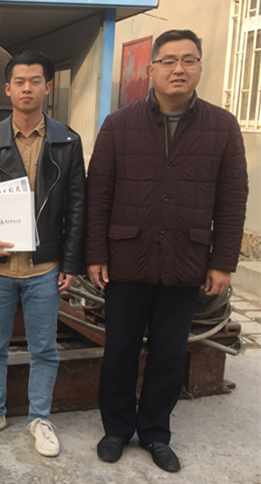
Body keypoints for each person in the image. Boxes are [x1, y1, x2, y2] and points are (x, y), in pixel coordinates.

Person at [87, 30, 248, 473]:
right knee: (119, 351)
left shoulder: (222, 127)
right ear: (151, 69)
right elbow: (98, 193)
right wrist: (95, 253)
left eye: (189, 60)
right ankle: (117, 429)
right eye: (169, 61)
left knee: (169, 355)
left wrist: (223, 263)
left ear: (200, 67)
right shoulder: (118, 125)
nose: (179, 69)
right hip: (126, 259)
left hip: (186, 261)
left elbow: (232, 199)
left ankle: (156, 433)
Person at [0, 50, 86, 457]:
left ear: (48, 87)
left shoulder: (67, 142)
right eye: (19, 82)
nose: (27, 88)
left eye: (35, 81)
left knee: (44, 348)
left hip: (44, 267)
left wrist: (71, 262)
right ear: (7, 89)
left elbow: (77, 205)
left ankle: (39, 417)